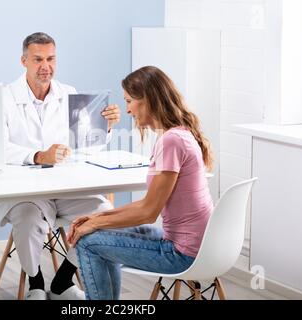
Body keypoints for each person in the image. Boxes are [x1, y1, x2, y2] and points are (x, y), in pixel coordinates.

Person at [0, 32, 121, 300]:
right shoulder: (4, 97)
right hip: (24, 192)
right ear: (23, 60)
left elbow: (84, 145)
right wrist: (39, 156)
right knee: (27, 219)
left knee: (104, 214)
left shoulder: (69, 93)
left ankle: (62, 281)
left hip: (64, 188)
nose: (45, 66)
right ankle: (35, 282)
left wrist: (105, 128)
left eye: (51, 59)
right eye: (38, 59)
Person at [67, 66, 214, 300]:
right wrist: (96, 219)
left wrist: (93, 225)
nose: (127, 110)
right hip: (198, 245)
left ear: (148, 100)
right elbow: (148, 204)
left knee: (88, 242)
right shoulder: (179, 134)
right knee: (98, 231)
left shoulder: (171, 141)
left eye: (129, 101)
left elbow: (148, 212)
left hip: (181, 253)